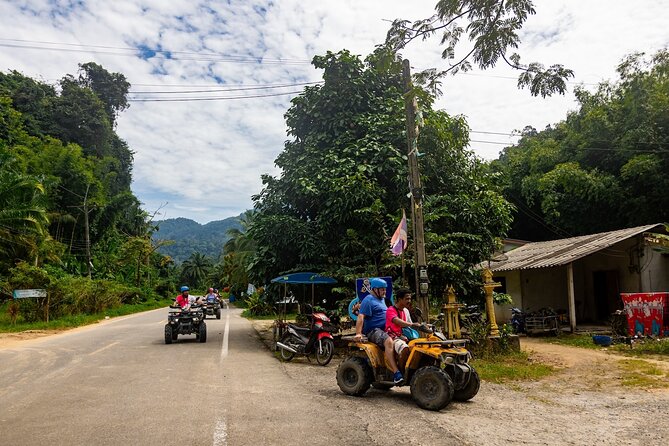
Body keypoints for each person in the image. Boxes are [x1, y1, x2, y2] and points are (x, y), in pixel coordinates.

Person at [353, 277, 404, 385]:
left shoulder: (381, 300)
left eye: (385, 289)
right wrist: (358, 333)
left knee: (404, 341)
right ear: (375, 289)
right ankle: (396, 373)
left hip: (385, 329)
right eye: (382, 289)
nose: (385, 291)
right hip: (373, 330)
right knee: (388, 341)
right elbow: (361, 316)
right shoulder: (368, 300)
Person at [385, 288, 421, 368]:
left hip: (404, 336)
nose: (409, 301)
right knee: (404, 348)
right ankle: (401, 371)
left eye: (410, 299)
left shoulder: (405, 310)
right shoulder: (390, 310)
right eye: (407, 299)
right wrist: (412, 324)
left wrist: (424, 326)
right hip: (393, 337)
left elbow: (409, 324)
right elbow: (397, 321)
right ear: (399, 299)